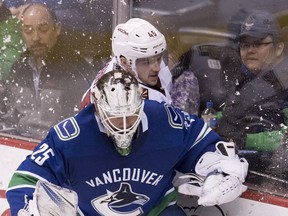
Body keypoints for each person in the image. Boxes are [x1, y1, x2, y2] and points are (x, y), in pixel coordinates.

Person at [6, 70, 249, 216]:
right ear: (97, 108)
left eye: (130, 115)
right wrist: (31, 209)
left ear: (141, 105)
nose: (123, 125)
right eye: (114, 117)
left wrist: (218, 170)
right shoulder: (72, 136)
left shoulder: (165, 120)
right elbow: (24, 180)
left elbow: (202, 143)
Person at [0, 2, 93, 139]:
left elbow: (83, 125)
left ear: (57, 29)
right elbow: (9, 118)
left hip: (59, 149)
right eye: (28, 30)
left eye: (43, 29)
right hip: (19, 145)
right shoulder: (19, 68)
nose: (36, 38)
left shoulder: (75, 69)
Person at [216, 10, 288, 150]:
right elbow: (228, 114)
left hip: (268, 170)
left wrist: (245, 140)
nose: (250, 50)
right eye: (245, 45)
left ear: (279, 48)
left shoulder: (284, 83)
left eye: (258, 43)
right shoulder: (241, 79)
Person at [80, 17, 172, 109]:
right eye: (146, 62)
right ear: (125, 62)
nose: (157, 68)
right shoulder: (122, 100)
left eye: (158, 58)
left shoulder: (125, 61)